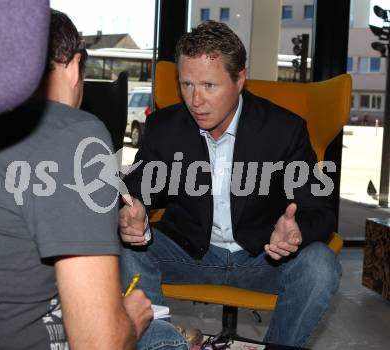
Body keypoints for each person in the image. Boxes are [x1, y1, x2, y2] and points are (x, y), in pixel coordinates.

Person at [0, 10, 187, 350]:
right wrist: (131, 318)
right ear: (75, 66)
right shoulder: (76, 134)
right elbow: (99, 344)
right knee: (165, 337)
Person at [119, 20, 342, 348]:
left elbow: (320, 211)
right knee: (119, 244)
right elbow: (137, 188)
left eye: (209, 86)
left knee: (321, 266)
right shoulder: (165, 128)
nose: (195, 100)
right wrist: (133, 210)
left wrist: (296, 232)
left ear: (240, 79)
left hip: (262, 257)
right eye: (187, 85)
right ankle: (163, 342)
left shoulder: (284, 129)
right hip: (190, 253)